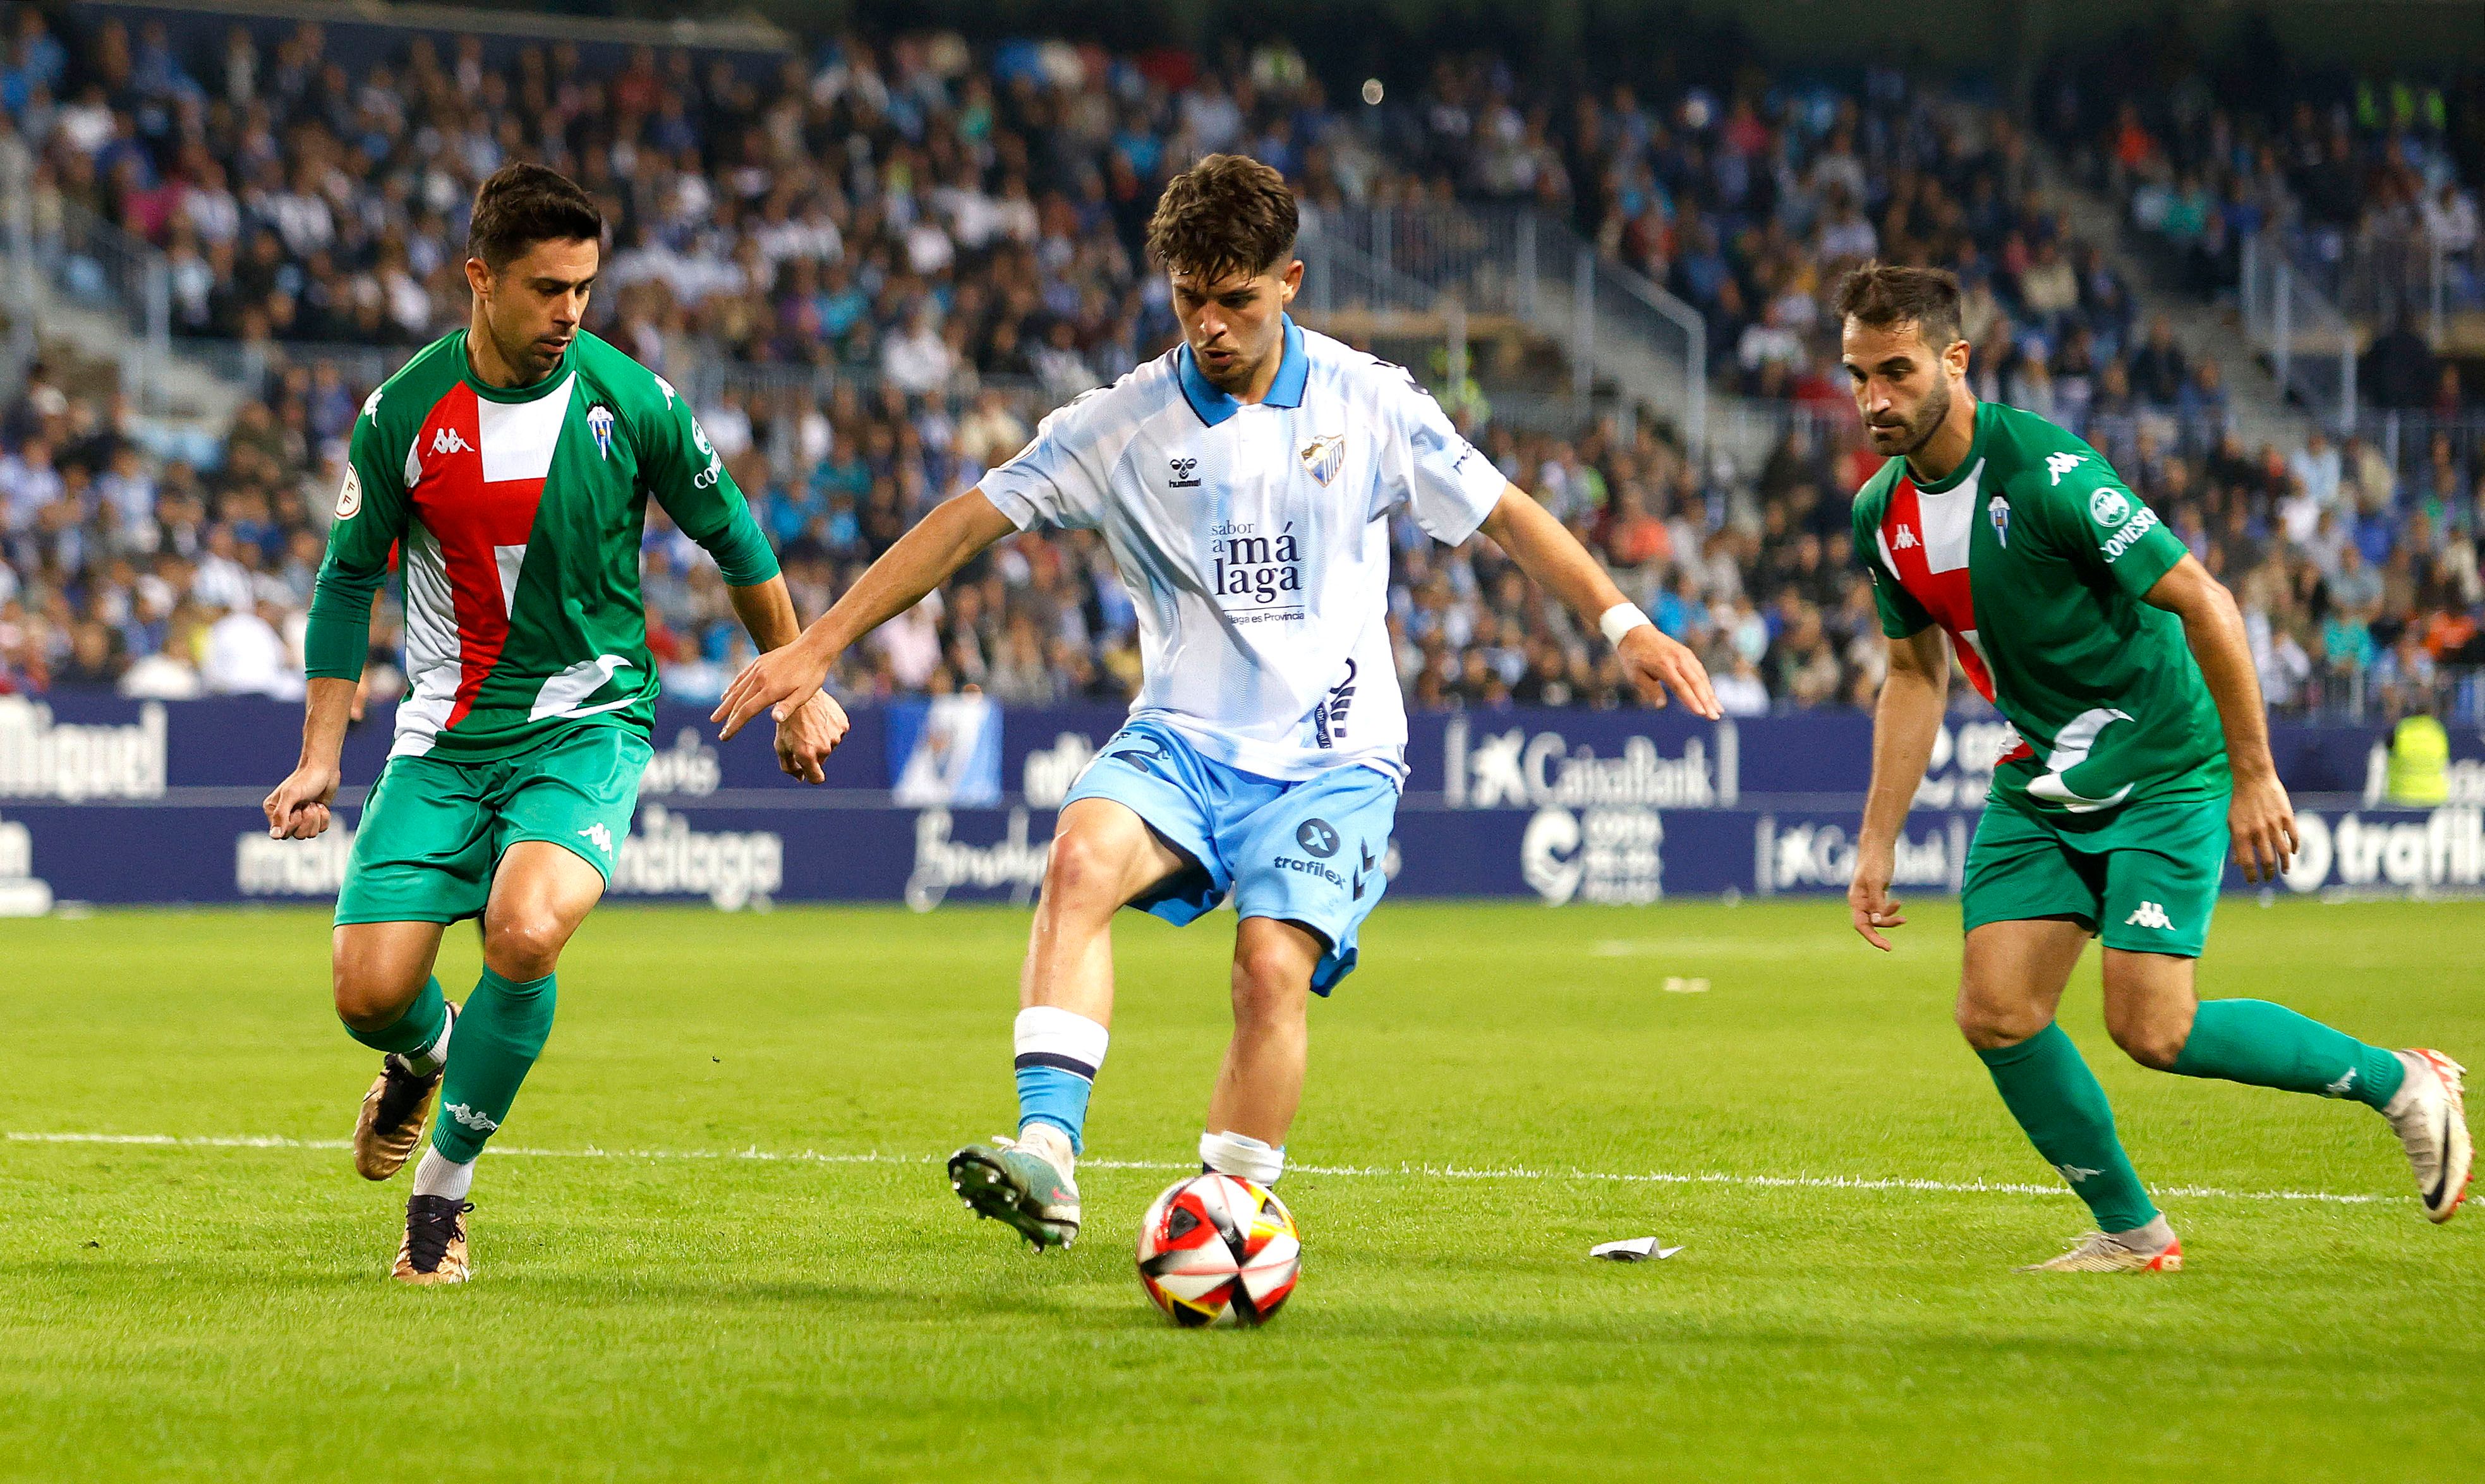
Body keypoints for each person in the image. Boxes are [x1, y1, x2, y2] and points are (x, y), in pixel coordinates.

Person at [713, 154, 1718, 1250]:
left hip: (1334, 756)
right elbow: (966, 521)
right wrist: (817, 645)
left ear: (1290, 281)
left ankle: (1231, 1214)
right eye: (1189, 297)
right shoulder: (1122, 421)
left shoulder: (1370, 401)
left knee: (1268, 967)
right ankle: (1046, 1155)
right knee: (1078, 860)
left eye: (1236, 298)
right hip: (1183, 742)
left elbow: (1507, 512)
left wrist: (1624, 624)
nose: (1209, 325)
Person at [260, 164, 842, 1285]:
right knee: (367, 994)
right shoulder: (402, 413)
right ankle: (427, 1054)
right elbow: (345, 582)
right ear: (480, 278)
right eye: (546, 289)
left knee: (524, 931)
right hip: (444, 738)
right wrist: (321, 754)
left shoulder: (632, 399)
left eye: (584, 288)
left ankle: (442, 1197)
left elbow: (734, 537)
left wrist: (799, 679)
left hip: (588, 724)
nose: (570, 311)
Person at [1835, 262, 2470, 1272]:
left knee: (2152, 1027)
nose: (1873, 398)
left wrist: (2253, 772)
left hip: (2163, 760)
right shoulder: (1880, 514)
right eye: (1858, 375)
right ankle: (2133, 1234)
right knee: (1995, 1011)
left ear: (1954, 360)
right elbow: (1913, 674)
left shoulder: (2047, 473)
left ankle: (2403, 1080)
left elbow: (2205, 599)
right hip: (2043, 772)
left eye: (1895, 371)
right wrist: (1876, 841)